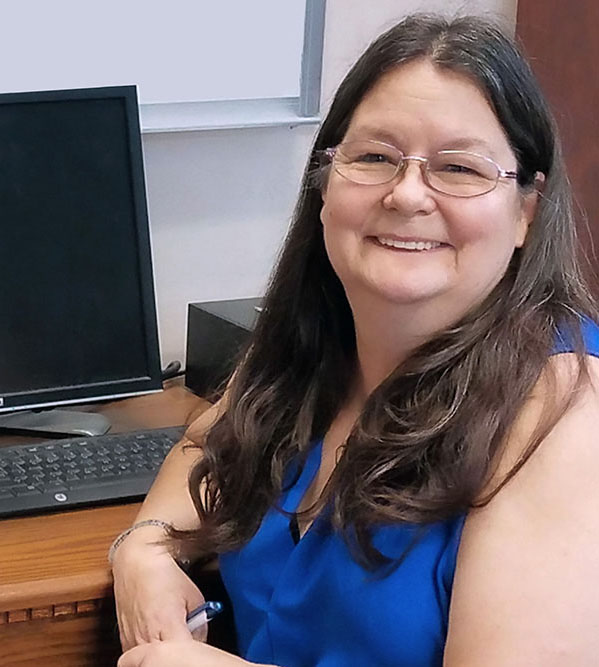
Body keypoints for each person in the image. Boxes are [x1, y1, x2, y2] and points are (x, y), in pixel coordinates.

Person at [114, 13, 599, 667]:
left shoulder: (566, 412)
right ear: (324, 185)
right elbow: (204, 447)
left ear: (525, 211)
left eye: (457, 167)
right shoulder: (323, 342)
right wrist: (144, 545)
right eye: (373, 157)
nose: (405, 194)